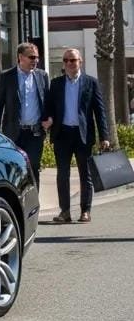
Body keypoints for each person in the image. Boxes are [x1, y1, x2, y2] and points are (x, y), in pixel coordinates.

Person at [42, 47, 109, 224]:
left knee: (85, 175)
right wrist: (48, 119)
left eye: (73, 60)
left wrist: (105, 136)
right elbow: (49, 106)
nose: (69, 64)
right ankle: (65, 212)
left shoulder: (90, 83)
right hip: (62, 134)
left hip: (83, 135)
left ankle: (85, 211)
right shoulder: (56, 84)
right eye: (66, 61)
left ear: (80, 62)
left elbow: (99, 111)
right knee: (62, 175)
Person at [0, 42, 49, 187]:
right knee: (15, 169)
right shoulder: (7, 77)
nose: (35, 60)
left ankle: (34, 205)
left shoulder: (42, 76)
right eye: (31, 57)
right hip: (13, 133)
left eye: (37, 57)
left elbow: (48, 102)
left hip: (35, 133)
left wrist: (50, 118)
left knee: (33, 167)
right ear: (20, 57)